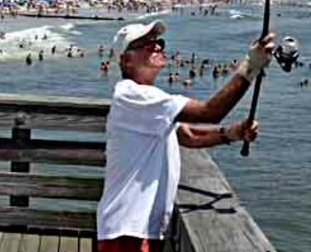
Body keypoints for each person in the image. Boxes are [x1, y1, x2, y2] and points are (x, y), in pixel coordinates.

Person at [97, 20, 271, 252]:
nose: (157, 47)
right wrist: (250, 67)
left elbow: (188, 136)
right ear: (126, 60)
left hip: (137, 227)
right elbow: (211, 112)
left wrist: (231, 133)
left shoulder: (146, 102)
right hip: (128, 229)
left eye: (158, 42)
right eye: (146, 44)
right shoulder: (133, 95)